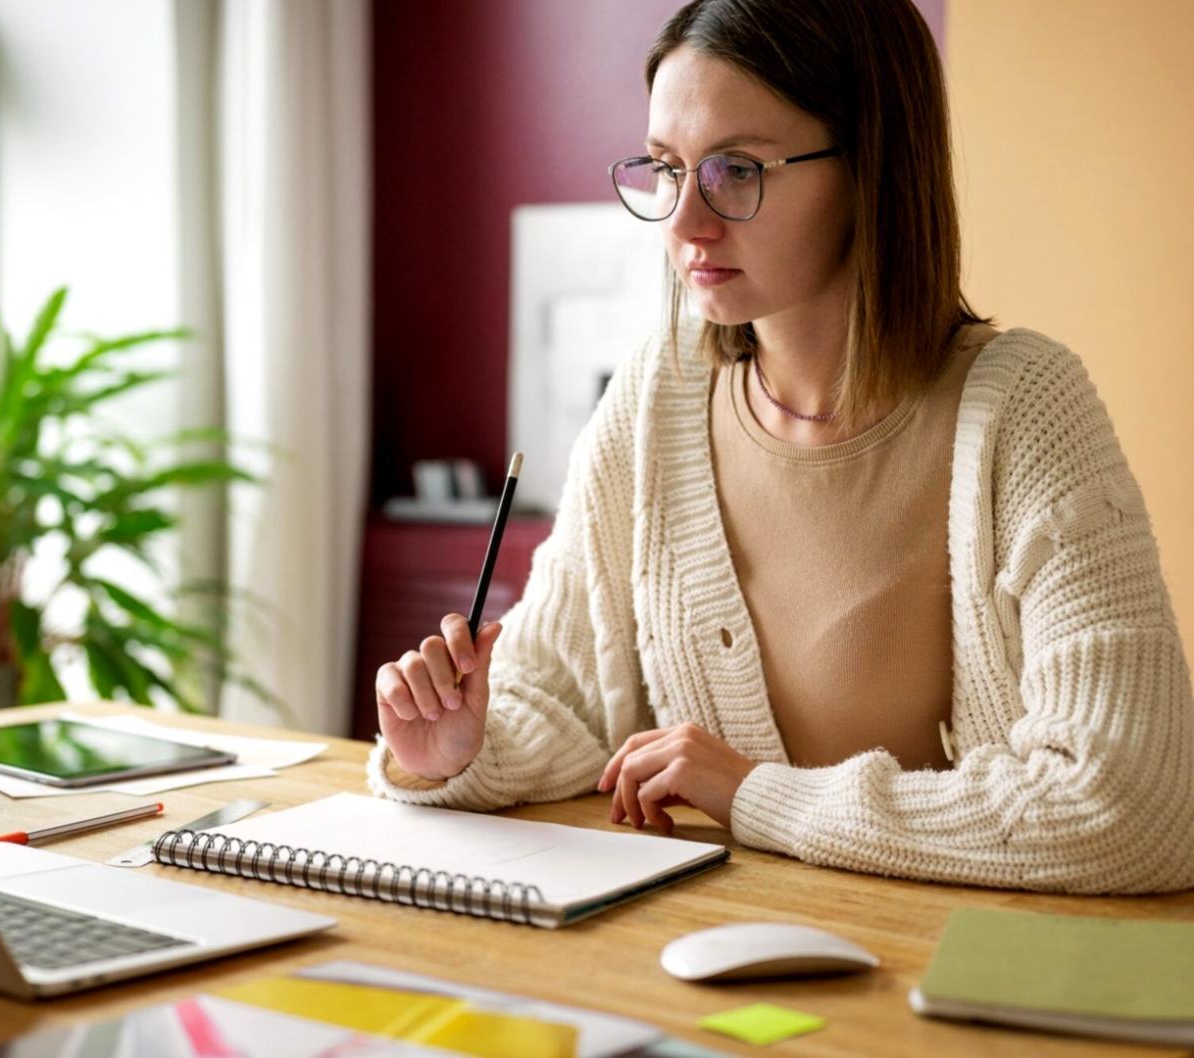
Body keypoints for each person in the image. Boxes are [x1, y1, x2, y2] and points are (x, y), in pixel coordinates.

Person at [367, 0, 1194, 894]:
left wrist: (761, 796)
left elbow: (1131, 806)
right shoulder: (657, 397)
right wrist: (460, 747)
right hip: (718, 968)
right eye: (665, 168)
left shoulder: (1028, 412)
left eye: (735, 170)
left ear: (870, 165)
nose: (685, 222)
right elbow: (557, 693)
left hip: (948, 981)